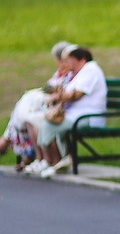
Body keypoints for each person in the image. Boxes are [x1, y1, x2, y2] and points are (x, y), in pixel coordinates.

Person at [32, 45, 108, 178]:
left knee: (48, 125)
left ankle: (54, 163)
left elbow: (76, 94)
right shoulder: (78, 73)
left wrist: (58, 95)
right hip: (76, 115)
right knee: (43, 121)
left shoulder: (91, 70)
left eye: (68, 60)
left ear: (81, 59)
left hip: (87, 117)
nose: (65, 63)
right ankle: (60, 160)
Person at [1, 41, 75, 171]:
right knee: (27, 109)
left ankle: (7, 140)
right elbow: (48, 89)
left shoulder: (71, 74)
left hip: (57, 110)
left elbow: (61, 93)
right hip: (49, 108)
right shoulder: (60, 73)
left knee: (27, 108)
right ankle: (35, 157)